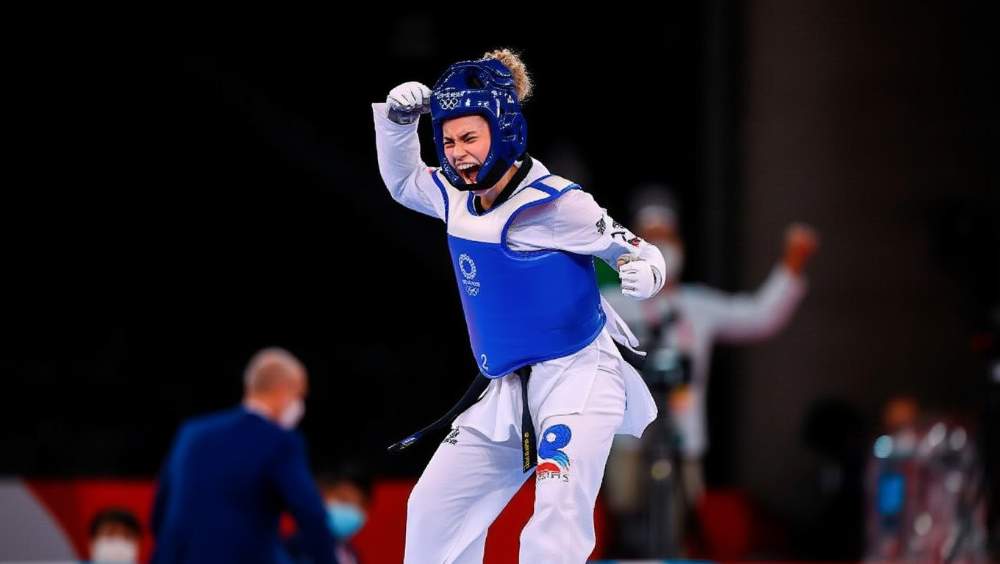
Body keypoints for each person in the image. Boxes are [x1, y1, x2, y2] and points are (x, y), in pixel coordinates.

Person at [373, 49, 664, 563]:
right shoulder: (451, 196)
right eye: (447, 140)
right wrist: (398, 125)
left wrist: (647, 273)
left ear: (502, 131)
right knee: (434, 510)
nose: (457, 152)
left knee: (556, 517)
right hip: (507, 388)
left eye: (469, 138)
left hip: (579, 376)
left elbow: (635, 251)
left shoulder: (557, 203)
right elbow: (401, 182)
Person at [601, 190, 817, 554]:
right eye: (649, 240)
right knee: (622, 514)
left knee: (682, 519)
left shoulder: (695, 306)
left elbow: (757, 315)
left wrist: (792, 265)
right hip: (626, 433)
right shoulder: (612, 303)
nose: (660, 247)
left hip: (682, 434)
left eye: (666, 239)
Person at [151, 347, 334, 564]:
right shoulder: (280, 442)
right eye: (299, 395)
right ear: (284, 389)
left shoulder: (192, 433)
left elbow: (160, 511)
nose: (299, 405)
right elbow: (311, 514)